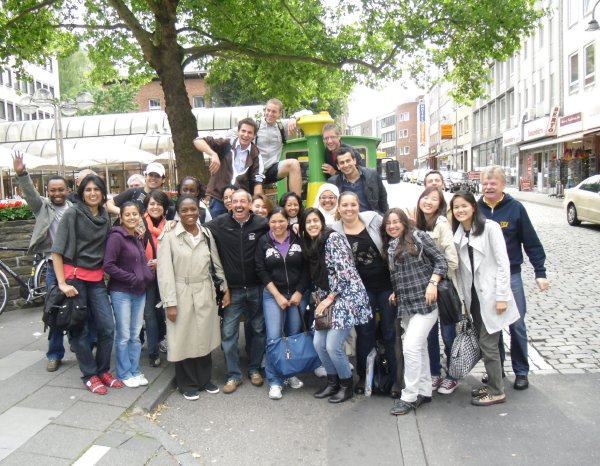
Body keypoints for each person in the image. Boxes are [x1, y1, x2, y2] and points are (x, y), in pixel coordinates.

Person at [478, 165, 550, 391]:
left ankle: (521, 371)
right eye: (486, 183)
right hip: (485, 278)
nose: (489, 187)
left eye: (493, 183)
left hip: (512, 276)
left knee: (516, 325)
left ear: (503, 185)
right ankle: (496, 371)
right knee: (492, 327)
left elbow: (531, 242)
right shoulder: (475, 208)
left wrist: (540, 272)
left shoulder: (515, 208)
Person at [51, 175, 122, 395]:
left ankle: (102, 370)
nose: (92, 193)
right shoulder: (73, 213)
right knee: (79, 329)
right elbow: (57, 251)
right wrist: (62, 283)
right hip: (75, 279)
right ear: (82, 193)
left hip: (97, 280)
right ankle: (90, 374)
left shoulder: (103, 216)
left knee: (107, 328)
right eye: (88, 189)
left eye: (96, 189)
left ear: (103, 193)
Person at [451, 191, 520, 406]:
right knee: (486, 343)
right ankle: (492, 383)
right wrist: (463, 300)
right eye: (456, 207)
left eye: (464, 206)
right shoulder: (460, 233)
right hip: (474, 298)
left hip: (491, 296)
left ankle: (497, 391)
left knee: (488, 344)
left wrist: (502, 297)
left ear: (473, 206)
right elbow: (463, 272)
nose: (460, 210)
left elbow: (503, 263)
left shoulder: (490, 228)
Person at [157, 195, 227, 400]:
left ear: (199, 210)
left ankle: (204, 379)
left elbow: (216, 263)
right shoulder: (169, 236)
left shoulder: (205, 233)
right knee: (183, 337)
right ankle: (186, 382)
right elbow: (164, 273)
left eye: (193, 209)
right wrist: (170, 303)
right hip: (181, 291)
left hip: (204, 289)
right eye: (184, 210)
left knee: (204, 335)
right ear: (178, 212)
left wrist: (224, 287)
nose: (189, 213)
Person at [299, 208, 371, 404]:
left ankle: (346, 385)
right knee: (318, 344)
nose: (312, 225)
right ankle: (333, 383)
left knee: (333, 346)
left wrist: (329, 298)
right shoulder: (312, 245)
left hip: (346, 296)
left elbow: (345, 272)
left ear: (322, 222)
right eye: (308, 222)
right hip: (328, 297)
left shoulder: (332, 239)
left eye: (316, 221)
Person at [383, 208, 448, 415]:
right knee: (418, 348)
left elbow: (441, 261)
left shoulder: (419, 237)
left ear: (404, 222)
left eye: (396, 222)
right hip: (407, 304)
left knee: (410, 347)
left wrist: (433, 283)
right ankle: (425, 390)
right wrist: (395, 292)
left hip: (426, 303)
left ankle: (409, 396)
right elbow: (396, 276)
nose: (392, 226)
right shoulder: (392, 246)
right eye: (388, 223)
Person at [332, 192, 398, 396]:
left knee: (389, 332)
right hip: (361, 291)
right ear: (339, 208)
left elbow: (395, 232)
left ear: (358, 205)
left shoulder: (374, 220)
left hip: (387, 286)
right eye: (345, 205)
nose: (349, 209)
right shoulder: (333, 231)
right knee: (365, 333)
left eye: (353, 204)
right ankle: (363, 377)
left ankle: (396, 379)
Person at [13, 151, 72, 372]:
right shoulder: (43, 207)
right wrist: (22, 174)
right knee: (54, 310)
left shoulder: (74, 209)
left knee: (77, 308)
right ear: (48, 192)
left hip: (73, 266)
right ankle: (55, 353)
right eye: (53, 190)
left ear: (67, 190)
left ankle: (77, 344)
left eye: (61, 189)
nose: (57, 193)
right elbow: (30, 194)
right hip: (51, 267)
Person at [205, 189, 269, 394]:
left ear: (250, 204)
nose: (239, 205)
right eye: (235, 201)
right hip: (232, 291)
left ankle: (254, 369)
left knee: (258, 330)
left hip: (256, 287)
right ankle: (233, 375)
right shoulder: (218, 224)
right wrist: (173, 223)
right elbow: (195, 228)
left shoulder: (261, 224)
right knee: (228, 334)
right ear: (229, 204)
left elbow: (281, 224)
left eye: (243, 201)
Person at [255, 207, 310, 399]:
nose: (277, 225)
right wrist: (277, 295)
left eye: (281, 221)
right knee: (274, 338)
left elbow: (306, 268)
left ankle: (291, 374)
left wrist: (299, 292)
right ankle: (275, 380)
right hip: (273, 295)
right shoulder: (264, 241)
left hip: (297, 294)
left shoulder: (298, 238)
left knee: (293, 336)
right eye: (273, 222)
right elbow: (261, 270)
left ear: (288, 221)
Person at [103, 202, 154, 388]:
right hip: (122, 293)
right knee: (124, 335)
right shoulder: (116, 237)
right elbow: (108, 265)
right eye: (128, 215)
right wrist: (133, 278)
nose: (132, 217)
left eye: (135, 214)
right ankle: (124, 372)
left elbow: (139, 263)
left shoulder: (137, 237)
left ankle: (135, 370)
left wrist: (147, 273)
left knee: (135, 334)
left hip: (139, 292)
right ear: (121, 217)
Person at [415, 187, 459, 395]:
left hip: (441, 288)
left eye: (434, 199)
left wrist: (435, 280)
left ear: (440, 204)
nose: (429, 202)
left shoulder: (441, 223)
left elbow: (452, 260)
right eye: (426, 197)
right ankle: (434, 372)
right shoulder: (418, 224)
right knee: (429, 334)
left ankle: (453, 375)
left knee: (448, 334)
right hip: (423, 290)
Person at [194, 118, 264, 218]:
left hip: (240, 203)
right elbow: (197, 140)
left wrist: (256, 204)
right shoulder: (226, 144)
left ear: (254, 136)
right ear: (238, 131)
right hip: (219, 198)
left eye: (249, 132)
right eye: (243, 131)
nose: (245, 135)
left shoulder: (256, 155)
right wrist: (213, 154)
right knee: (216, 230)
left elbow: (258, 181)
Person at [141, 190, 170, 367]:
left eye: (159, 204)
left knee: (161, 312)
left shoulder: (169, 226)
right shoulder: (138, 223)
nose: (155, 207)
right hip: (145, 276)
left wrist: (162, 262)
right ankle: (152, 351)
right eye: (152, 203)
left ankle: (161, 339)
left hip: (164, 275)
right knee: (149, 314)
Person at [255, 98, 303, 196]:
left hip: (272, 169)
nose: (270, 114)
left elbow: (309, 113)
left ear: (280, 113)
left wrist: (294, 117)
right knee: (258, 198)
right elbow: (235, 132)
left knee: (294, 164)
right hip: (256, 170)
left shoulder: (282, 125)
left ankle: (296, 202)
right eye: (268, 110)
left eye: (274, 111)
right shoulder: (255, 125)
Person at [328, 149, 388, 214]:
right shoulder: (333, 182)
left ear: (354, 161)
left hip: (372, 220)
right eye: (342, 163)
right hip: (347, 221)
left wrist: (385, 218)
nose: (345, 165)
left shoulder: (372, 175)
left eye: (348, 161)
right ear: (338, 166)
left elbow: (383, 198)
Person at [106, 162, 174, 219]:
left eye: (157, 176)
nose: (153, 178)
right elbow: (108, 204)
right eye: (150, 175)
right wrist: (125, 213)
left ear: (163, 179)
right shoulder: (133, 192)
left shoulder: (167, 199)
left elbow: (173, 218)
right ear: (145, 176)